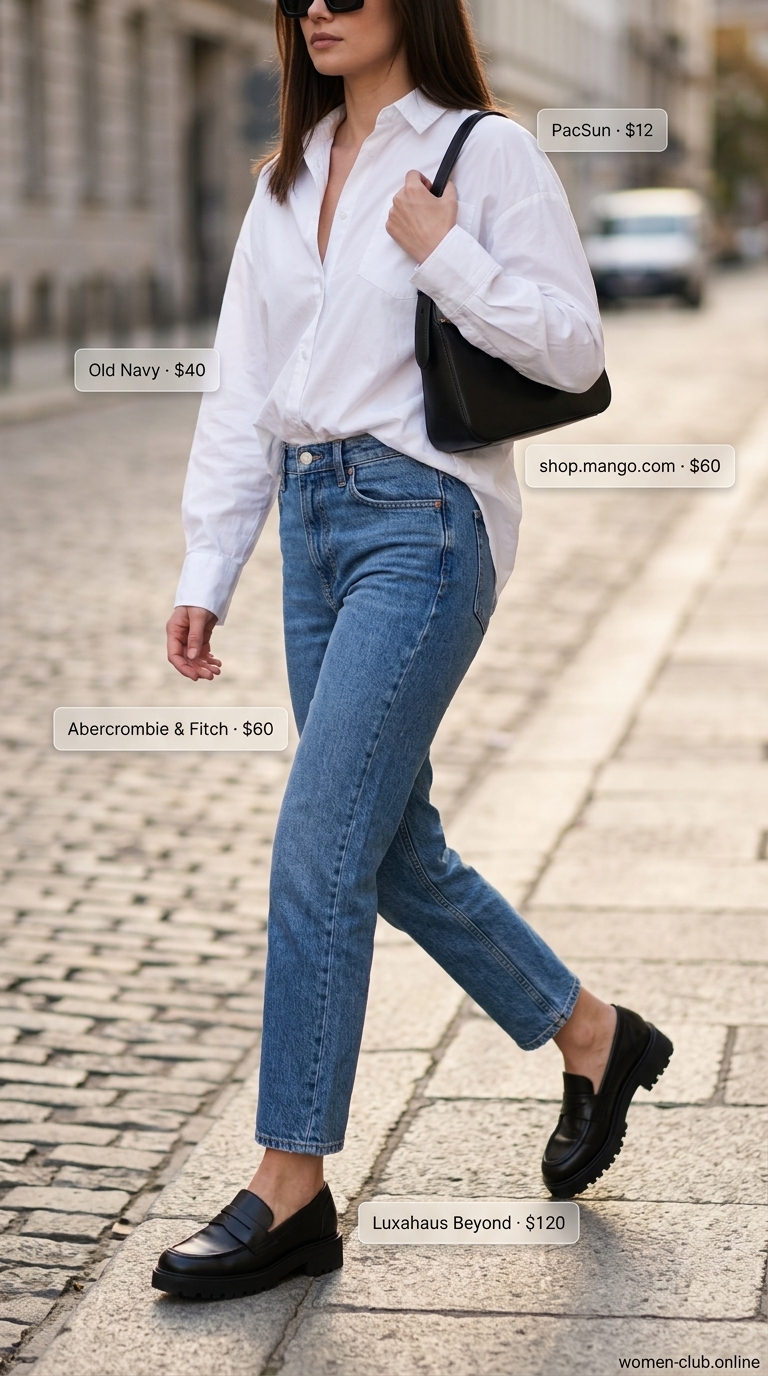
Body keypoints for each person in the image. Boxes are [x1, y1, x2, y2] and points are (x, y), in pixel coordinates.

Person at [152, 0, 673, 1301]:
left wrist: (446, 257)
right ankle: (596, 1036)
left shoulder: (482, 155)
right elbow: (239, 384)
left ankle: (290, 1187)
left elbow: (572, 345)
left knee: (319, 843)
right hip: (316, 527)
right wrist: (207, 568)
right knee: (393, 852)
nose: (320, 5)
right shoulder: (286, 178)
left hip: (427, 522)